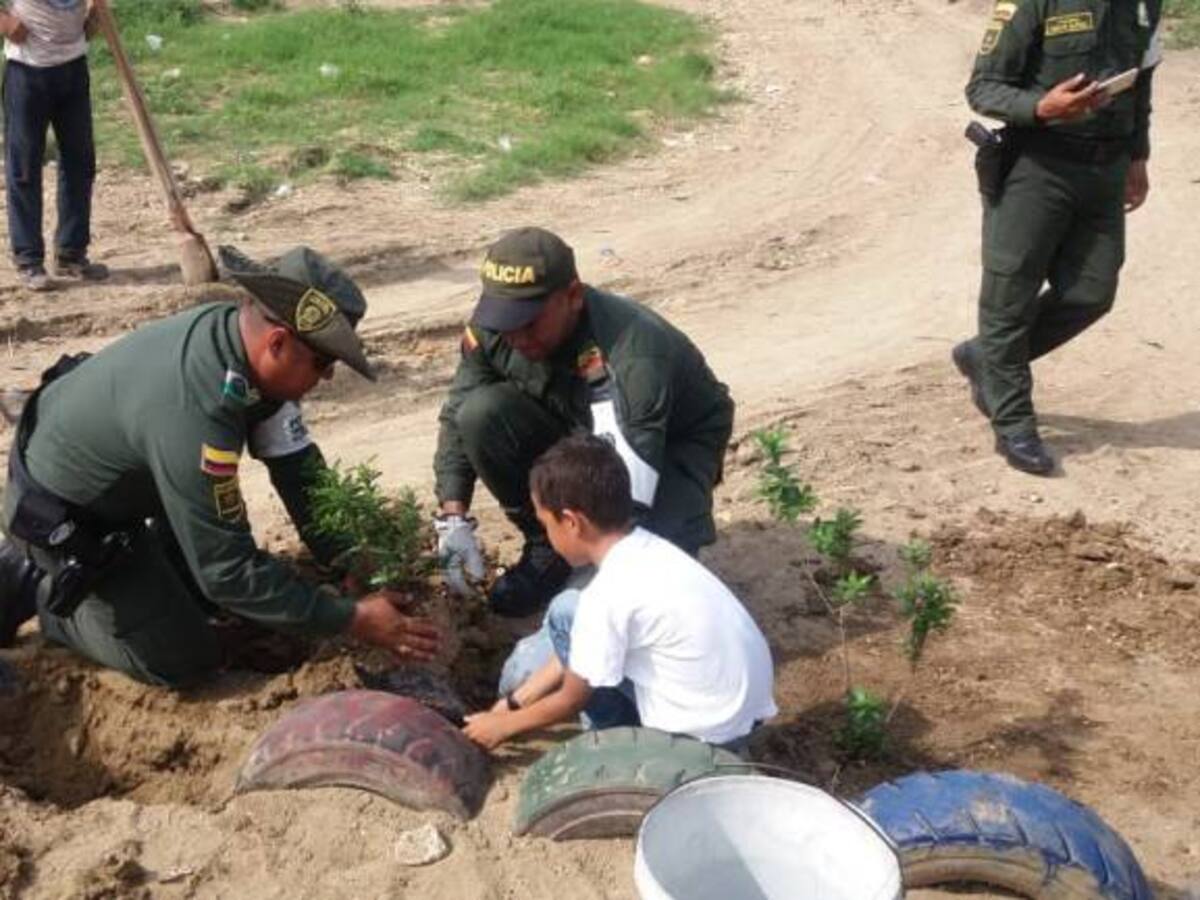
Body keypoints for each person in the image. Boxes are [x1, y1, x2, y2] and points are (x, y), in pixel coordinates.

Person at [0, 245, 441, 686]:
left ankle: (144, 575)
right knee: (186, 659)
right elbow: (226, 571)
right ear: (278, 342)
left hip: (131, 489)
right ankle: (42, 594)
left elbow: (298, 472)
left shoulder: (243, 358)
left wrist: (348, 561)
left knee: (209, 599)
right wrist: (352, 619)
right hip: (64, 520)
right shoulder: (198, 407)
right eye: (323, 361)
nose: (326, 378)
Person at [434, 227, 734, 616]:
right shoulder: (496, 330)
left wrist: (597, 589)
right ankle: (549, 547)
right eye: (507, 322)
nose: (516, 337)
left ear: (573, 296)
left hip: (667, 444)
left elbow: (629, 483)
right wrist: (453, 518)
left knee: (657, 581)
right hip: (576, 423)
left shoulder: (633, 351)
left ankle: (594, 556)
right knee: (480, 413)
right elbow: (458, 415)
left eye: (529, 322)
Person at [953, 0, 1163, 475]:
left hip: (1105, 169)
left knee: (1093, 291)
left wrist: (1137, 157)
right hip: (1038, 166)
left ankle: (985, 357)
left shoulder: (1147, 4)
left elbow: (1142, 82)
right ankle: (1014, 423)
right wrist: (1041, 107)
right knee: (1009, 297)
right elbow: (983, 87)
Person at [462, 435, 776, 753]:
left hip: (698, 741)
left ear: (571, 522)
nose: (548, 535)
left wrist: (503, 726)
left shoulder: (606, 596)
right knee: (568, 609)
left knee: (574, 615)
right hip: (743, 718)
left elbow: (571, 700)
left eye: (546, 524)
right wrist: (515, 702)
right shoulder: (651, 550)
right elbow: (580, 649)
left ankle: (612, 748)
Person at [2, 0, 107, 291]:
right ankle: (29, 260)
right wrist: (4, 21)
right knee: (24, 167)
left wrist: (96, 11)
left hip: (73, 67)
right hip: (27, 69)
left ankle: (71, 254)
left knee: (80, 162)